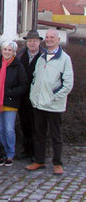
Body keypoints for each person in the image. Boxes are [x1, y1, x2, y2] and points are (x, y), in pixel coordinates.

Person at [25, 29, 74, 175]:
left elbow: (68, 84)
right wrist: (34, 96)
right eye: (47, 37)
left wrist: (54, 97)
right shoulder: (41, 58)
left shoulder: (65, 59)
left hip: (54, 105)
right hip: (39, 104)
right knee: (39, 133)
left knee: (56, 135)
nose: (49, 39)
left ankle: (57, 163)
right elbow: (35, 79)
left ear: (58, 40)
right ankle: (39, 160)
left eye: (52, 37)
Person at [0, 41, 27, 167]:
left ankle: (10, 154)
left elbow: (23, 85)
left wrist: (10, 92)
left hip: (11, 102)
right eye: (5, 49)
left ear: (14, 52)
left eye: (9, 50)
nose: (6, 52)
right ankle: (2, 153)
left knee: (9, 129)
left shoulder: (18, 66)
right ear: (1, 50)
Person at [16, 30, 45, 161]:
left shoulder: (44, 55)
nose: (32, 43)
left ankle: (37, 153)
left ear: (39, 42)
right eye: (29, 41)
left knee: (37, 126)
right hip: (23, 96)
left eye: (34, 41)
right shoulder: (21, 55)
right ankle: (27, 150)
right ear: (26, 42)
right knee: (25, 124)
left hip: (38, 96)